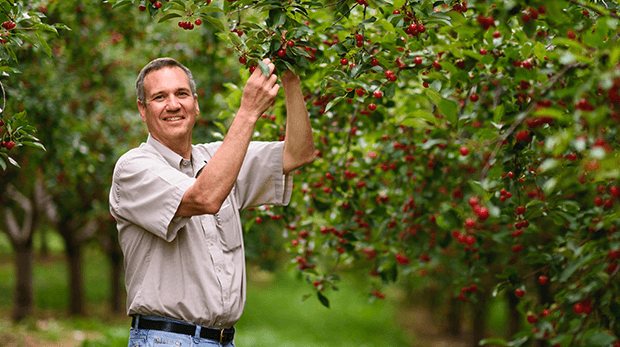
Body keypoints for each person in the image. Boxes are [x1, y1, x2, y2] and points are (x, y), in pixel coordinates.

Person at [109, 57, 315, 346]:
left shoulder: (217, 160)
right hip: (165, 340)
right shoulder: (133, 168)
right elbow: (204, 197)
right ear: (142, 110)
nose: (172, 104)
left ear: (196, 103)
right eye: (159, 97)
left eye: (181, 94)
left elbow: (298, 154)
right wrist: (248, 112)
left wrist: (290, 78)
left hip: (221, 340)